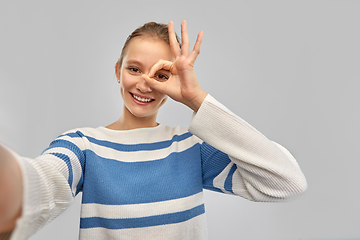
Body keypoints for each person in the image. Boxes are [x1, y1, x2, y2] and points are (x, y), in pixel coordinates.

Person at [0, 20, 307, 240]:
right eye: (134, 69)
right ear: (118, 71)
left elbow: (286, 182)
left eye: (161, 74)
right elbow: (39, 181)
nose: (144, 83)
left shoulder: (191, 148)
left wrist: (197, 100)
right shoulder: (83, 146)